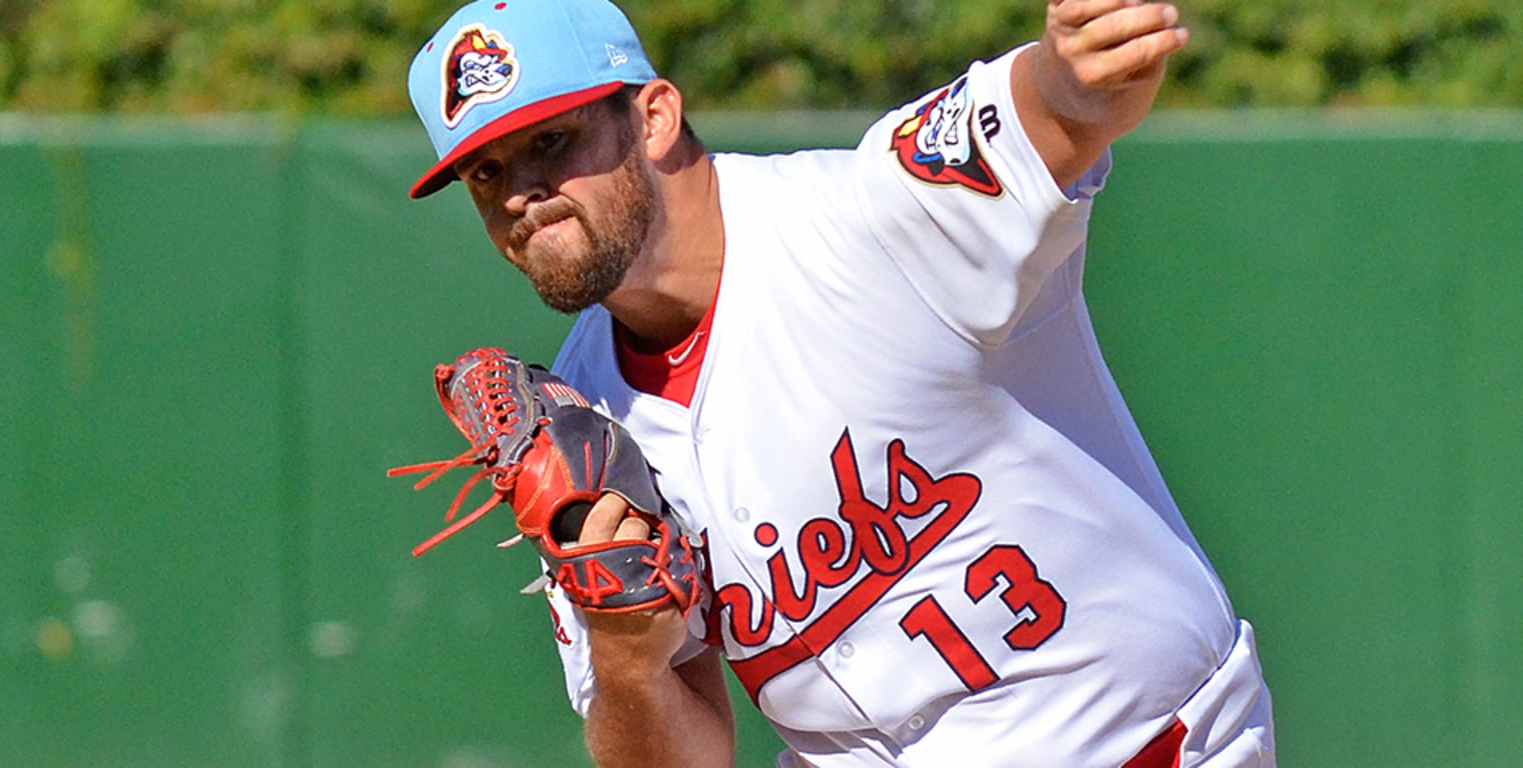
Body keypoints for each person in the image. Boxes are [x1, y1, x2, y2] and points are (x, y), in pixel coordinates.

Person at [404, 0, 1275, 766]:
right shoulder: (580, 425)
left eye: (551, 143)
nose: (521, 193)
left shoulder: (867, 218)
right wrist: (627, 657)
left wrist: (1080, 66)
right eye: (486, 173)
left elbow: (1052, 109)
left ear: (655, 116)